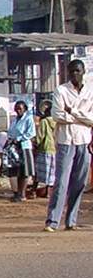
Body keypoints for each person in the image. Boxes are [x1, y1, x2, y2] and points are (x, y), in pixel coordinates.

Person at [45, 59, 93, 231]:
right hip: (65, 140)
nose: (74, 74)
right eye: (71, 71)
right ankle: (52, 221)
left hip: (84, 140)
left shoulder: (90, 90)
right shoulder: (61, 90)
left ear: (83, 71)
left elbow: (92, 119)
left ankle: (71, 221)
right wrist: (83, 118)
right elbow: (57, 115)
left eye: (77, 71)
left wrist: (72, 111)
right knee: (62, 182)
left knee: (79, 183)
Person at [7, 100, 35, 201]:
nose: (18, 110)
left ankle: (22, 194)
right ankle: (18, 193)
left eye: (20, 109)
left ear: (25, 109)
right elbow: (11, 131)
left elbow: (31, 133)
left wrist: (19, 138)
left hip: (24, 147)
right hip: (15, 148)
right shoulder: (15, 120)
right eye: (16, 108)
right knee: (17, 171)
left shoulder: (28, 118)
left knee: (25, 171)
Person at [33, 100, 57, 197]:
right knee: (51, 172)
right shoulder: (57, 122)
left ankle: (34, 191)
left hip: (44, 149)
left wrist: (35, 144)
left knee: (39, 172)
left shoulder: (44, 121)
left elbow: (40, 136)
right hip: (54, 149)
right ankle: (48, 192)